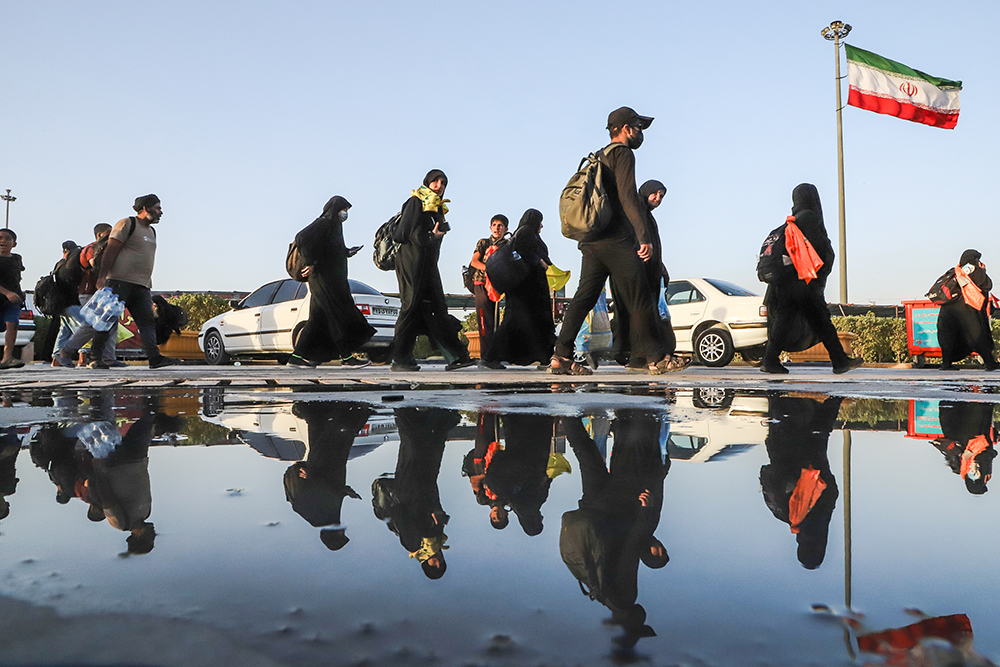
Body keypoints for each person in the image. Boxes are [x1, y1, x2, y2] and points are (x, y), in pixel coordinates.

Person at [551, 107, 672, 376]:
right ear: (626, 129)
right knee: (640, 294)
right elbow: (629, 198)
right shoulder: (622, 153)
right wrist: (643, 236)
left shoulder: (600, 157)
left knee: (584, 297)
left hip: (591, 242)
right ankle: (657, 358)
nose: (640, 133)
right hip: (616, 240)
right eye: (638, 128)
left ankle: (560, 356)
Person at [560, 410, 669, 650]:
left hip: (611, 508)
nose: (644, 617)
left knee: (608, 455)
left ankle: (637, 405)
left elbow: (630, 551)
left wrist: (643, 513)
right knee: (587, 455)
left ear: (631, 622)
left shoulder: (624, 598)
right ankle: (566, 412)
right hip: (593, 511)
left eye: (641, 623)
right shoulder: (602, 596)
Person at [62, 195, 178, 369]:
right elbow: (110, 251)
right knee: (106, 320)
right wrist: (102, 277)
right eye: (157, 208)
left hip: (142, 285)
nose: (161, 212)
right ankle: (95, 357)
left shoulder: (152, 231)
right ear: (145, 208)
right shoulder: (126, 224)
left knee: (146, 322)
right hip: (118, 282)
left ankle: (154, 358)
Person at [760, 184, 863, 374]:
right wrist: (819, 277)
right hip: (803, 281)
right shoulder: (810, 218)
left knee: (787, 320)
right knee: (821, 320)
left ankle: (770, 360)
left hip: (785, 282)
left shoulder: (791, 222)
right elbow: (820, 250)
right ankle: (839, 361)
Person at [390, 170, 475, 372]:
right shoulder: (416, 202)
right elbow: (405, 234)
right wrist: (431, 236)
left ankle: (457, 356)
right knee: (410, 309)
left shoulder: (436, 207)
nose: (440, 185)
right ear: (427, 183)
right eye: (436, 181)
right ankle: (399, 359)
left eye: (443, 182)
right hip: (412, 266)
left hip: (427, 266)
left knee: (436, 308)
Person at [287, 196, 375, 367]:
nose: (345, 214)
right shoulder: (324, 223)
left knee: (318, 319)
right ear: (335, 209)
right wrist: (310, 262)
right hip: (325, 280)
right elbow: (302, 238)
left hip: (331, 279)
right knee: (338, 315)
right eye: (344, 210)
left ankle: (296, 358)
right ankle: (347, 358)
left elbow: (329, 250)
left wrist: (346, 252)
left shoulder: (335, 226)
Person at [611, 180, 686, 372]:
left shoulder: (645, 214)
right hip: (637, 272)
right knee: (642, 314)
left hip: (646, 272)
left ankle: (638, 358)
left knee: (638, 314)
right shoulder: (636, 209)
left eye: (661, 196)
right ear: (646, 191)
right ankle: (652, 357)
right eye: (655, 194)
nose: (658, 198)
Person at [759, 394, 841, 569]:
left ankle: (838, 388)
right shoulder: (784, 513)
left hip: (809, 447)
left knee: (821, 422)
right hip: (784, 442)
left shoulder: (816, 512)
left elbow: (831, 490)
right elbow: (767, 474)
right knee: (779, 393)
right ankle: (774, 373)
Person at [283, 402, 373, 550]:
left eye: (341, 535)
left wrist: (311, 478)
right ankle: (315, 411)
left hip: (324, 468)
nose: (344, 530)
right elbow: (329, 495)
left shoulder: (318, 518)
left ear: (333, 534)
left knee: (336, 437)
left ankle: (344, 410)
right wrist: (345, 492)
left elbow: (320, 492)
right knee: (323, 437)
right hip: (328, 468)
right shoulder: (326, 519)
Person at [481, 209, 556, 368]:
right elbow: (525, 254)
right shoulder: (527, 232)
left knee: (532, 323)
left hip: (527, 290)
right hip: (525, 290)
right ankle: (490, 358)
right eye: (539, 221)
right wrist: (539, 261)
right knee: (516, 323)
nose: (541, 225)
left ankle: (545, 358)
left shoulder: (525, 233)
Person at [53, 224, 122, 368]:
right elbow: (95, 265)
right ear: (99, 236)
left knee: (111, 322)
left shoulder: (110, 249)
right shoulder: (92, 248)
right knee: (92, 323)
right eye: (108, 234)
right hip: (89, 292)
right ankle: (66, 351)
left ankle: (109, 357)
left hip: (104, 292)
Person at [937, 249, 997, 370]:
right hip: (967, 311)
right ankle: (990, 363)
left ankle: (946, 364)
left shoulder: (955, 271)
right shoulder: (974, 270)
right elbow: (987, 285)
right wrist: (983, 271)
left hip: (948, 311)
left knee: (949, 336)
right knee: (978, 335)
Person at [469, 214, 508, 356]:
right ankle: (486, 356)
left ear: (505, 228)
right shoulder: (483, 243)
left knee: (495, 320)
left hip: (497, 286)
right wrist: (490, 268)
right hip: (481, 283)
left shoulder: (507, 245)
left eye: (500, 226)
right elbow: (475, 262)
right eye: (495, 225)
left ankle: (494, 354)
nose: (497, 228)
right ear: (490, 227)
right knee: (484, 319)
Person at [0, 228, 25, 369]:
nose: (3, 241)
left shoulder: (17, 258)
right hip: (4, 296)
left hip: (12, 300)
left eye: (7, 238)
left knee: (12, 324)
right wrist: (6, 292)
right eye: (0, 238)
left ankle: (7, 357)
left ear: (14, 244)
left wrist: (13, 294)